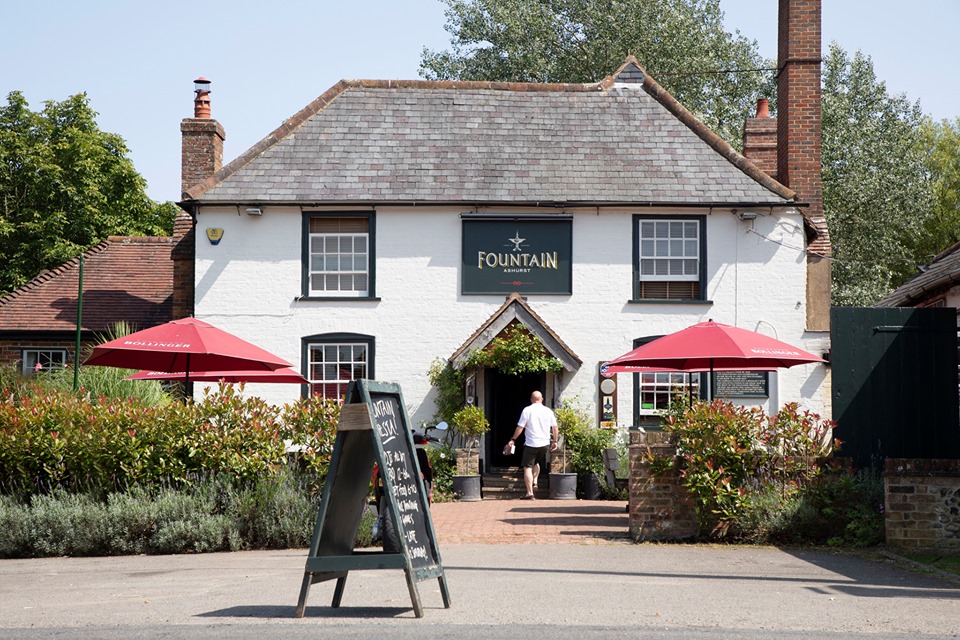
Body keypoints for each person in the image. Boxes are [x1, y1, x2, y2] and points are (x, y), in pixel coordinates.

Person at [505, 390, 558, 500]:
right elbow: (555, 427)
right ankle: (535, 481)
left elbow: (520, 427)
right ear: (542, 399)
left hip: (531, 443)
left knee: (527, 467)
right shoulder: (548, 411)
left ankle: (529, 493)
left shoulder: (527, 410)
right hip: (544, 443)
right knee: (536, 462)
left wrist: (513, 439)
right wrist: (555, 441)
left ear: (531, 399)